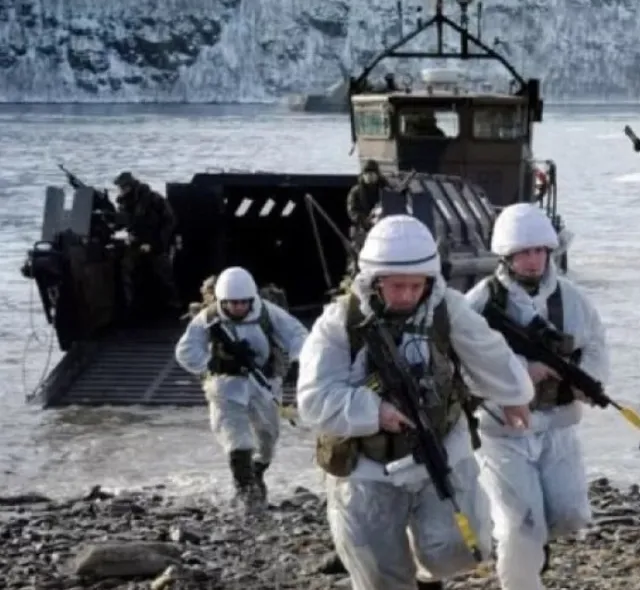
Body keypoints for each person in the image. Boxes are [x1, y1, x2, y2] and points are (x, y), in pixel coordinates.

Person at [296, 214, 535, 590]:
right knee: (380, 578)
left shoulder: (447, 309)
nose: (407, 295)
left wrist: (513, 396)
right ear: (375, 281)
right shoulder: (339, 322)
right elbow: (312, 400)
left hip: (441, 446)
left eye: (416, 285)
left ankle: (425, 569)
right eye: (397, 286)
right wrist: (375, 412)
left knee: (463, 551)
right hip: (367, 465)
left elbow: (490, 354)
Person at [464, 203, 607, 589]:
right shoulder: (479, 304)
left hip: (558, 424)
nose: (533, 261)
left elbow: (595, 345)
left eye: (540, 251)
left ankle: (529, 551)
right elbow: (459, 367)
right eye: (524, 253)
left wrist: (588, 381)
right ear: (507, 257)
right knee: (519, 526)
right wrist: (518, 377)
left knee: (570, 515)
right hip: (501, 430)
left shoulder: (572, 299)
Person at [174, 266, 309, 507]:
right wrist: (212, 362)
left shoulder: (268, 313)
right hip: (225, 386)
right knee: (236, 437)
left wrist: (298, 360)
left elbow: (297, 334)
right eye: (232, 303)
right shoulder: (209, 318)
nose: (237, 308)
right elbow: (185, 350)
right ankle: (245, 487)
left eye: (243, 303)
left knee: (268, 437)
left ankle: (257, 472)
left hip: (264, 383)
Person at [113, 171, 180, 311]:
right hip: (136, 243)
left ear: (131, 186)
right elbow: (123, 222)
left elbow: (170, 221)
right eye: (120, 188)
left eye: (123, 187)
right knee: (126, 269)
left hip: (156, 243)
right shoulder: (124, 203)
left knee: (164, 274)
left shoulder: (152, 199)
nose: (121, 190)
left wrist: (156, 243)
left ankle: (174, 307)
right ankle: (130, 307)